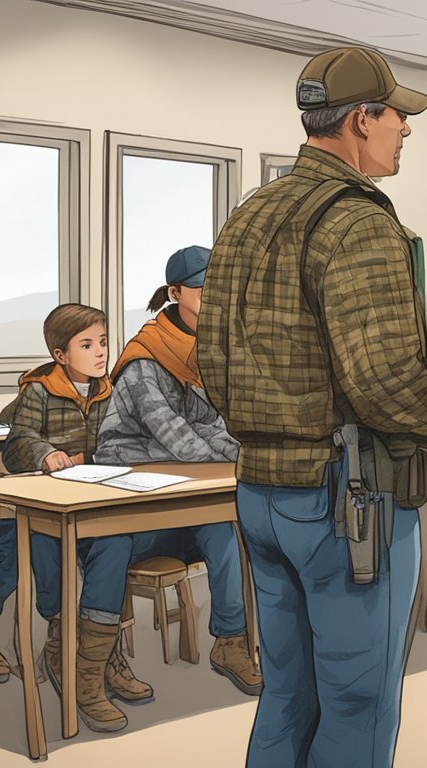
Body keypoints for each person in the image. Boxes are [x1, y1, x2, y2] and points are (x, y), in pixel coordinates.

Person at [197, 46, 427, 768]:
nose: (406, 131)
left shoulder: (250, 214)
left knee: (289, 695)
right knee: (359, 702)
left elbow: (213, 358)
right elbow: (389, 386)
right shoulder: (358, 221)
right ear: (361, 119)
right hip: (346, 499)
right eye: (397, 116)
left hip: (263, 488)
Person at [96, 246, 260, 697]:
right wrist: (238, 459)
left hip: (180, 490)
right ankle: (101, 657)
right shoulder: (146, 357)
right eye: (204, 287)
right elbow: (176, 436)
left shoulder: (204, 350)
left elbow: (214, 425)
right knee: (109, 551)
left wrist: (244, 452)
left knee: (226, 528)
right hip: (130, 497)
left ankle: (230, 640)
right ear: (175, 292)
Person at [0, 304, 147, 732]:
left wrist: (88, 458)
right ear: (60, 354)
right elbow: (17, 446)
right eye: (86, 345)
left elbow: (124, 441)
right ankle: (44, 633)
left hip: (90, 507)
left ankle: (96, 654)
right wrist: (45, 453)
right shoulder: (39, 391)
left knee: (114, 544)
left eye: (104, 343)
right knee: (34, 551)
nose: (99, 353)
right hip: (34, 510)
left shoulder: (112, 391)